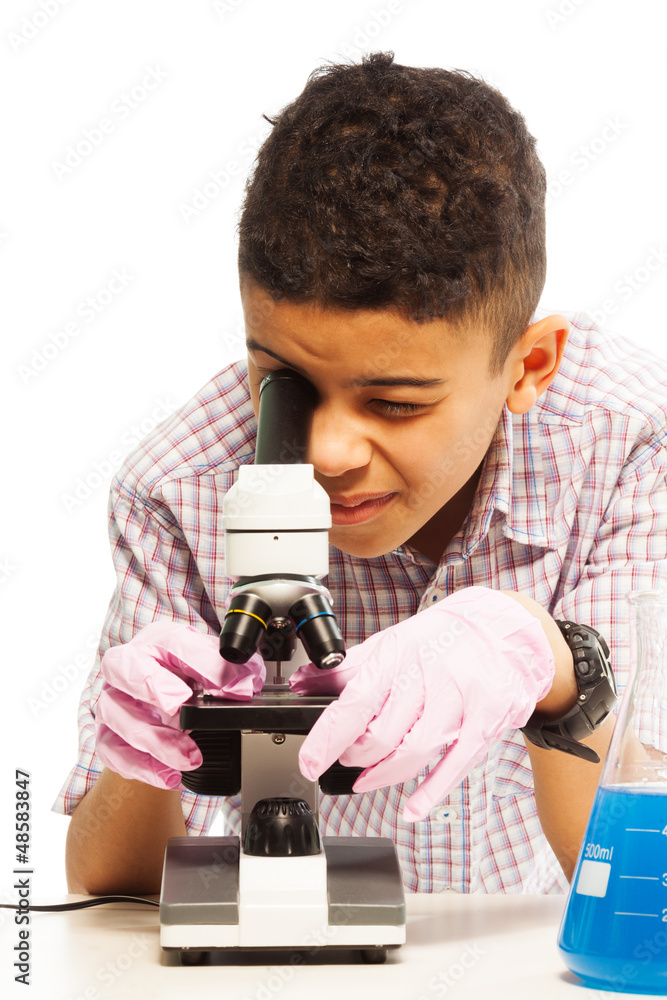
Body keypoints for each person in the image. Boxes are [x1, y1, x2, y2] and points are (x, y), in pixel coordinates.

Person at [54, 52, 667, 897]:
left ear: (528, 366)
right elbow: (110, 887)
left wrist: (555, 668)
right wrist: (146, 754)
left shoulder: (629, 445)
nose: (329, 453)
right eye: (285, 384)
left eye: (396, 403)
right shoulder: (179, 485)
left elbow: (631, 891)